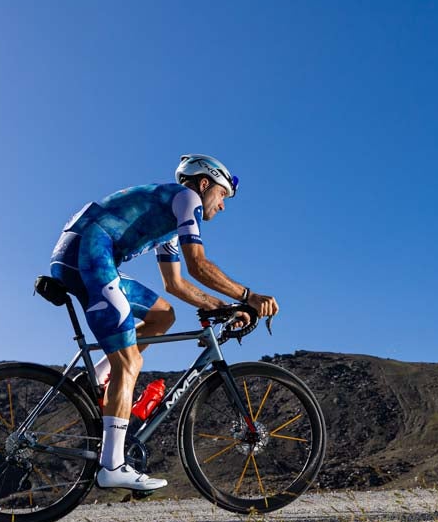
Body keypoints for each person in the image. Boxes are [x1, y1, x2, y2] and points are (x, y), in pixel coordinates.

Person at [48, 155, 278, 491]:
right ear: (204, 184)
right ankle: (112, 465)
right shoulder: (187, 199)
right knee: (129, 362)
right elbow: (198, 265)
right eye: (223, 195)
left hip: (88, 256)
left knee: (162, 315)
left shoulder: (169, 217)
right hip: (87, 256)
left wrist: (224, 307)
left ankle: (93, 380)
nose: (223, 206)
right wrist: (249, 296)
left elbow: (177, 284)